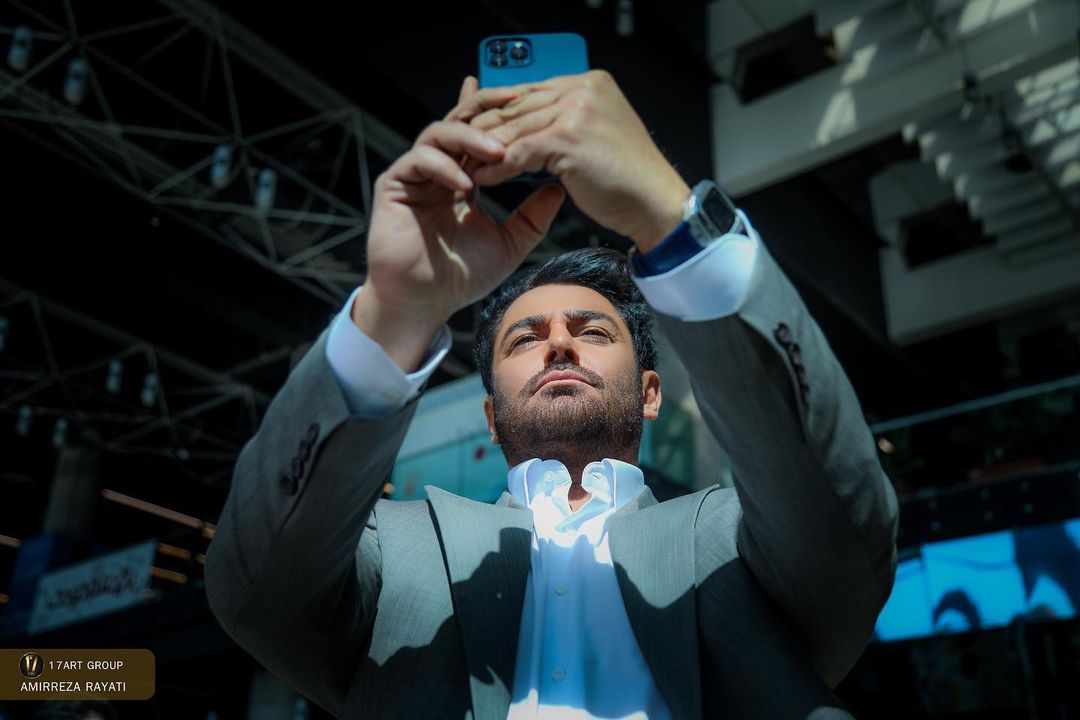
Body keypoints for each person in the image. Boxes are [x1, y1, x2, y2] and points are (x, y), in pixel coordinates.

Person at [205, 71, 899, 719]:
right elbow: (257, 593)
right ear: (490, 416)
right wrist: (395, 313)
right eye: (524, 339)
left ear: (651, 393)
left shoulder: (737, 540)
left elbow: (842, 531)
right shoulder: (395, 547)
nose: (559, 343)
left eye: (592, 331)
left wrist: (667, 216)